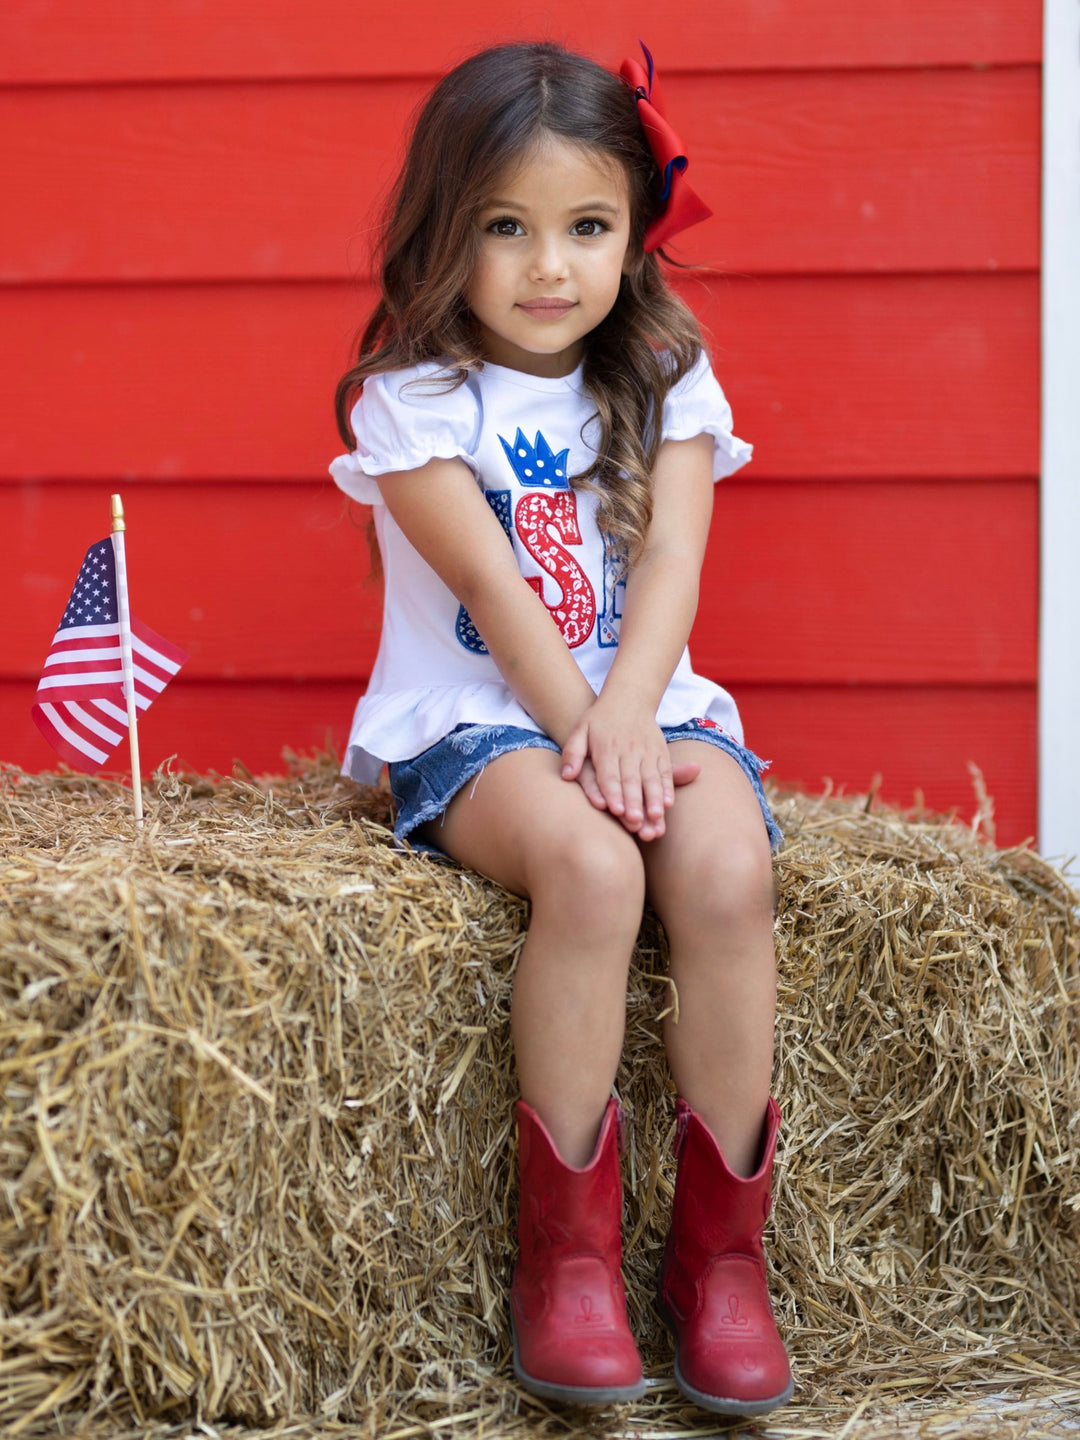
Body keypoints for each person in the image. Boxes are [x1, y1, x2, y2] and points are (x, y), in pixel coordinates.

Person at [329, 40, 794, 1418]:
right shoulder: (411, 400)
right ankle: (571, 1263)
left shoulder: (666, 377)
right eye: (506, 229)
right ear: (444, 231)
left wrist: (634, 719)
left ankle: (721, 1265)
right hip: (480, 720)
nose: (550, 266)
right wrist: (591, 732)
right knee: (593, 870)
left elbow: (670, 571)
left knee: (724, 871)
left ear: (636, 232)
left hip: (646, 702)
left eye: (587, 227)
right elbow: (489, 587)